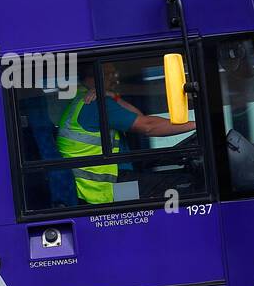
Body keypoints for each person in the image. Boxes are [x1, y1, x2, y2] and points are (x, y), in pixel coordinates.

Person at [56, 62, 196, 205]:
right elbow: (148, 127)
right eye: (109, 75)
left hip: (100, 184)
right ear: (92, 78)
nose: (115, 80)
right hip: (108, 188)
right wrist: (196, 124)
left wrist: (114, 97)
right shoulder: (95, 104)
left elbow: (138, 116)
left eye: (114, 74)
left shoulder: (82, 101)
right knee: (186, 184)